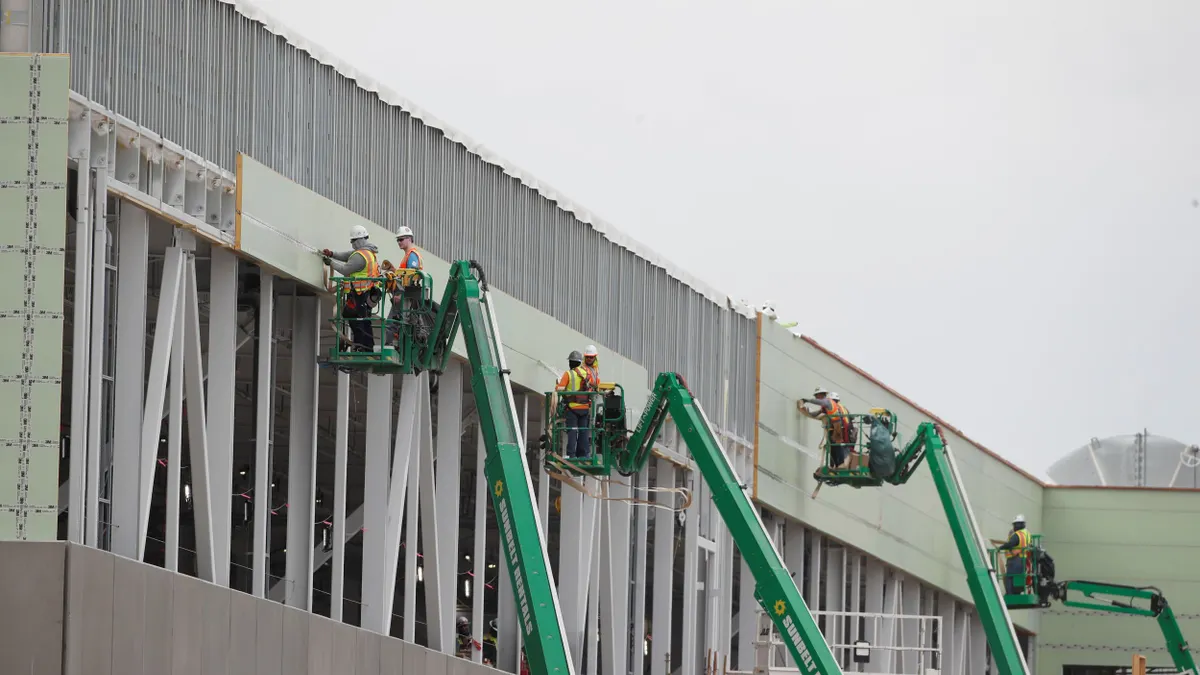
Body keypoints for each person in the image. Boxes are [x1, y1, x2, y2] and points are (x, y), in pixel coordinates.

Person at [321, 225, 381, 351]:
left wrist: (330, 262)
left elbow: (345, 269)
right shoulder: (367, 252)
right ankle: (365, 346)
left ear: (358, 241)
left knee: (357, 320)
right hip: (366, 292)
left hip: (360, 294)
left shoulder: (360, 256)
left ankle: (362, 346)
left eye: (353, 241)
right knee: (363, 320)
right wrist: (332, 254)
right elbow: (346, 255)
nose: (352, 244)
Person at [383, 226, 432, 346]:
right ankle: (395, 346)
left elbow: (411, 276)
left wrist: (400, 294)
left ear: (409, 239)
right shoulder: (408, 255)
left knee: (392, 323)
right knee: (398, 323)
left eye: (401, 239)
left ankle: (390, 348)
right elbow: (405, 275)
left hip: (405, 295)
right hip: (405, 294)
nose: (399, 242)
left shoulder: (412, 255)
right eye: (398, 240)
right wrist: (393, 270)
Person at [801, 387, 854, 469]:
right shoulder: (826, 406)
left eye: (817, 395)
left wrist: (806, 400)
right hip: (834, 426)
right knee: (832, 445)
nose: (816, 397)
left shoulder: (828, 401)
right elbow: (817, 413)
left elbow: (818, 402)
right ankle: (836, 465)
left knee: (836, 444)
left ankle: (841, 464)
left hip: (837, 425)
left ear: (821, 395)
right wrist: (807, 411)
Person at [555, 350, 595, 458]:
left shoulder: (568, 374)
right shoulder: (587, 373)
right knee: (583, 432)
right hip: (585, 408)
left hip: (572, 408)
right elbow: (592, 388)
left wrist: (558, 385)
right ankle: (584, 454)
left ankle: (571, 455)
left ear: (571, 363)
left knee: (572, 431)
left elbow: (559, 389)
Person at [995, 514, 1034, 595]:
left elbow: (1010, 544)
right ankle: (1017, 592)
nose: (1014, 526)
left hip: (1015, 559)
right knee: (1019, 577)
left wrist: (1000, 548)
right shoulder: (1027, 533)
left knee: (1010, 577)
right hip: (1023, 559)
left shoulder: (1018, 534)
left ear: (1018, 524)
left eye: (1015, 524)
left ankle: (1010, 593)